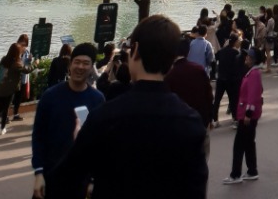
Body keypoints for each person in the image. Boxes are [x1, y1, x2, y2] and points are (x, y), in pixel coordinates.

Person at [50, 14, 208, 199]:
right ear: (172, 58)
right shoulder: (191, 123)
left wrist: (80, 142)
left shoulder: (104, 117)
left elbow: (63, 181)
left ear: (136, 50)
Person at [32, 43, 105, 198]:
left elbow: (99, 144)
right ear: (70, 65)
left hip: (81, 180)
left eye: (86, 63)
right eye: (77, 62)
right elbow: (38, 136)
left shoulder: (97, 100)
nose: (80, 67)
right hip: (51, 175)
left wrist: (92, 180)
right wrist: (38, 172)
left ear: (92, 67)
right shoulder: (50, 96)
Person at [223, 47, 263, 184]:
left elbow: (253, 96)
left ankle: (236, 174)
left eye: (248, 56)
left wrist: (248, 114)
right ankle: (252, 170)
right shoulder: (252, 72)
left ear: (253, 59)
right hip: (248, 113)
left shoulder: (254, 74)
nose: (246, 58)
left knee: (239, 145)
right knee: (248, 143)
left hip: (247, 115)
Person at [166, 35, 214, 130]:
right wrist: (210, 117)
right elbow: (208, 95)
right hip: (199, 120)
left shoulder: (170, 74)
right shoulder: (198, 70)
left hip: (178, 124)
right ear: (188, 51)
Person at [0, 42, 34, 136]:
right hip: (8, 90)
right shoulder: (16, 64)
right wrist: (34, 64)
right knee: (5, 108)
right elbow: (27, 70)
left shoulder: (4, 59)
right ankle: (2, 128)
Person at [212, 33, 243, 126]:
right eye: (238, 41)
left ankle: (215, 119)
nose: (239, 43)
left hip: (221, 78)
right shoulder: (236, 53)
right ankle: (235, 119)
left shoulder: (222, 51)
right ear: (235, 42)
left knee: (217, 99)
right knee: (233, 99)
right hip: (231, 79)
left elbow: (215, 59)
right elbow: (238, 67)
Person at [11, 33, 32, 121]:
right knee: (11, 97)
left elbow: (27, 66)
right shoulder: (15, 51)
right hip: (14, 79)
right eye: (22, 43)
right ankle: (6, 116)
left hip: (23, 79)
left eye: (25, 43)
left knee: (18, 97)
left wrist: (30, 60)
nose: (23, 45)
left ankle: (16, 114)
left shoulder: (27, 52)